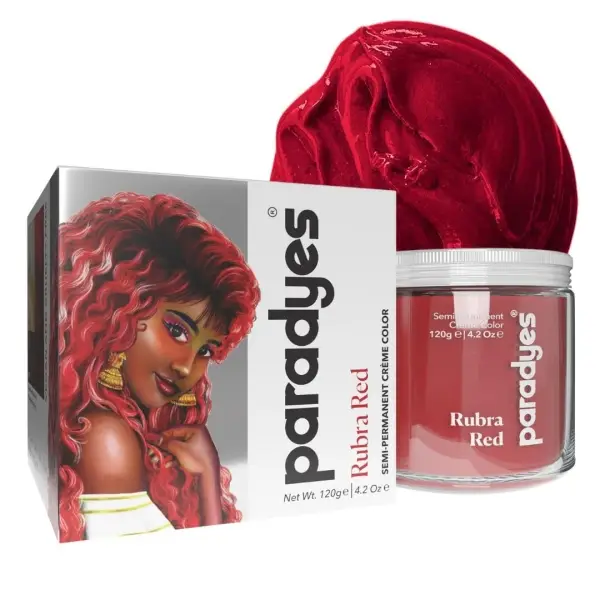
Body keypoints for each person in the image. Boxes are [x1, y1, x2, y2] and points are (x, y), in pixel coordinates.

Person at [57, 192, 260, 542]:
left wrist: (207, 472)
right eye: (177, 330)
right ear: (119, 310)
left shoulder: (112, 428)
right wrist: (208, 485)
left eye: (206, 350)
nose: (186, 367)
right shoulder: (106, 438)